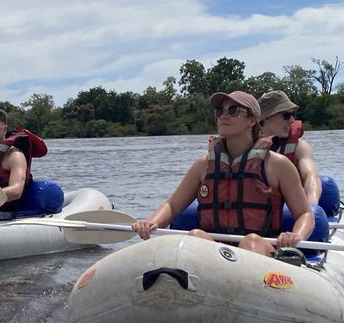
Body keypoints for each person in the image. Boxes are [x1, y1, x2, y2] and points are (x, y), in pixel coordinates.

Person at [131, 91, 314, 257]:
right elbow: (172, 205)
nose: (223, 116)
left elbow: (305, 214)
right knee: (196, 236)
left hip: (262, 249)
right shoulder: (203, 165)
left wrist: (295, 236)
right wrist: (151, 223)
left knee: (251, 241)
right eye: (220, 111)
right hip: (215, 251)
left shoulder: (278, 165)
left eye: (233, 110)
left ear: (252, 120)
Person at [258, 90, 323, 206]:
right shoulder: (245, 145)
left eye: (293, 115)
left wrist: (312, 205)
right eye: (286, 115)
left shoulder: (300, 147)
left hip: (292, 204)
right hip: (260, 204)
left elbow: (311, 175)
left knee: (327, 184)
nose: (292, 120)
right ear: (267, 117)